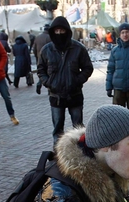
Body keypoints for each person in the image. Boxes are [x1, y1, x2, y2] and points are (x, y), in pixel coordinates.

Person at [36, 16, 94, 145]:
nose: (59, 34)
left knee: (78, 127)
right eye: (56, 31)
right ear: (52, 32)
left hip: (74, 94)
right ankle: (58, 153)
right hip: (56, 95)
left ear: (67, 31)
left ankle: (81, 152)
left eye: (62, 31)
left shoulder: (78, 48)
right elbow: (41, 70)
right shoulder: (47, 50)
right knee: (58, 129)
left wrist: (77, 81)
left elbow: (87, 68)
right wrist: (49, 83)